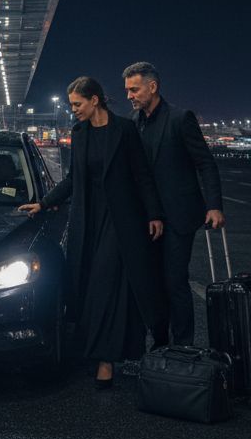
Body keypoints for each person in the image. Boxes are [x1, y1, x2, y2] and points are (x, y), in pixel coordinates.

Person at [20, 76, 165, 388]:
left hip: (120, 220)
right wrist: (43, 204)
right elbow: (73, 179)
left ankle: (104, 361)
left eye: (77, 104)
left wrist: (153, 214)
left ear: (95, 100)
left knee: (104, 282)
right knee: (88, 284)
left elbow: (142, 175)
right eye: (72, 105)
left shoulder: (124, 130)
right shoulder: (79, 132)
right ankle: (100, 352)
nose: (73, 110)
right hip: (88, 218)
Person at [122, 61, 224, 347]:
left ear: (152, 87)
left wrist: (214, 205)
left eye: (134, 89)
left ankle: (183, 347)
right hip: (147, 217)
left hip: (179, 215)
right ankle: (160, 342)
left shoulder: (180, 118)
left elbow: (205, 164)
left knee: (175, 281)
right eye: (127, 90)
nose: (130, 95)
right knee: (151, 283)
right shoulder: (132, 122)